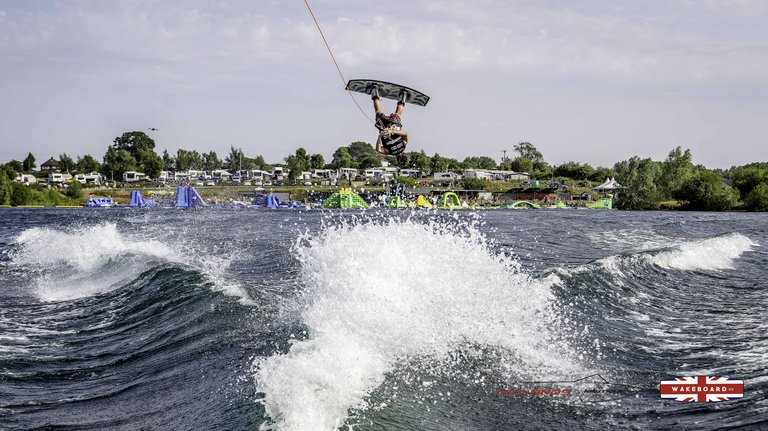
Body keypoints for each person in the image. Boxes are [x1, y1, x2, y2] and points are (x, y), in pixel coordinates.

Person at [369, 84, 411, 166]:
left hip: (394, 123)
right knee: (378, 111)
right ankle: (374, 90)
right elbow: (378, 150)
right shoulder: (389, 152)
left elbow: (405, 133)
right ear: (397, 159)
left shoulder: (404, 145)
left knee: (398, 112)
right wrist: (380, 136)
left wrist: (392, 130)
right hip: (383, 126)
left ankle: (403, 95)